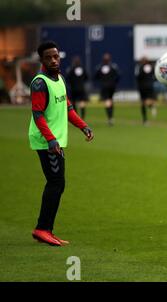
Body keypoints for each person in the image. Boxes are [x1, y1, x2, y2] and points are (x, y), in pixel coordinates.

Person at [29, 41, 94, 246]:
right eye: (48, 57)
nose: (54, 60)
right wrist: (50, 139)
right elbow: (37, 114)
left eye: (56, 56)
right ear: (41, 60)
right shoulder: (39, 83)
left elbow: (68, 108)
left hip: (55, 141)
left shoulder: (60, 79)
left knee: (57, 182)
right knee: (56, 182)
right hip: (46, 141)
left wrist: (83, 126)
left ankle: (46, 229)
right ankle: (42, 229)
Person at [95, 53, 120, 126]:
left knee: (107, 101)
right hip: (112, 86)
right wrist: (114, 82)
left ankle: (110, 118)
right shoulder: (113, 66)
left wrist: (102, 80)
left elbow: (96, 76)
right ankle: (111, 117)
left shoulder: (100, 67)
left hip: (104, 86)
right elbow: (118, 75)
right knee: (110, 100)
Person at [136, 57, 157, 125]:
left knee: (143, 103)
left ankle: (145, 120)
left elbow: (137, 77)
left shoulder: (139, 67)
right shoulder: (151, 67)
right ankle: (151, 106)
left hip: (142, 87)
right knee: (149, 100)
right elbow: (155, 76)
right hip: (150, 86)